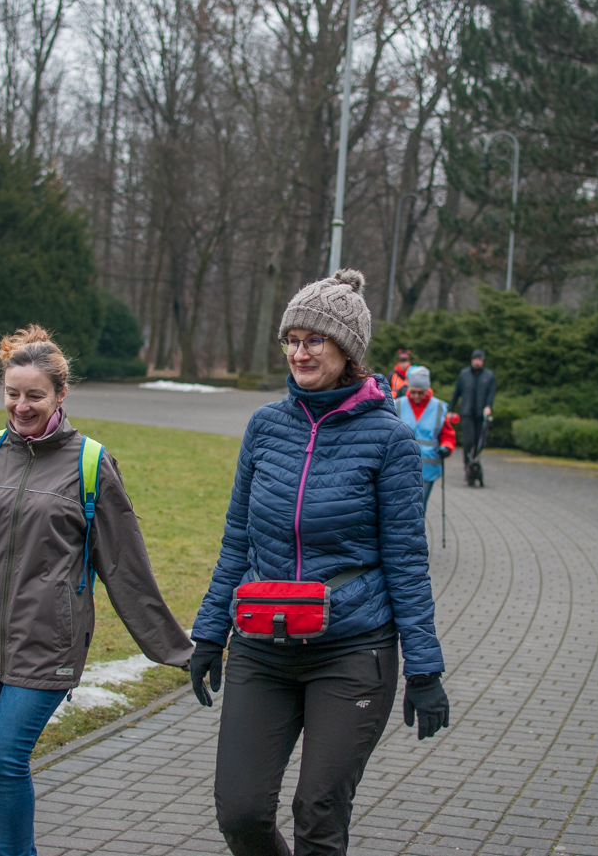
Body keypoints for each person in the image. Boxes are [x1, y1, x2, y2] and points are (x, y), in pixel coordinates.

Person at [0, 325, 193, 856]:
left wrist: (176, 650)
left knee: (4, 758)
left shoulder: (90, 464)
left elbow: (127, 566)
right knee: (1, 764)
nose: (21, 405)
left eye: (34, 395)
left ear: (61, 394)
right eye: (12, 393)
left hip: (48, 642)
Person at [189, 269, 450, 856]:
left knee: (318, 813)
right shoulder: (264, 428)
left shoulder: (390, 440)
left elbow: (407, 561)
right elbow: (236, 542)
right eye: (291, 340)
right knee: (242, 812)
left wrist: (425, 670)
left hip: (353, 650)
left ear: (348, 350)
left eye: (314, 340)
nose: (298, 352)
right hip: (263, 645)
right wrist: (208, 633)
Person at [394, 366, 455, 509]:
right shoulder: (398, 405)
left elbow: (447, 434)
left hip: (427, 468)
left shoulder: (438, 407)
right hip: (401, 466)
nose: (416, 396)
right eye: (413, 392)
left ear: (427, 390)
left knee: (419, 507)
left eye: (420, 393)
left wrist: (447, 447)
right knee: (401, 507)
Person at [448, 349, 496, 487]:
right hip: (467, 413)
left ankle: (475, 465)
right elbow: (456, 393)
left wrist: (488, 406)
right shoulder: (464, 374)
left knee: (479, 442)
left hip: (481, 414)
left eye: (479, 359)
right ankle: (468, 468)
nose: (477, 361)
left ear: (483, 361)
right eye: (475, 359)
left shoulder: (488, 376)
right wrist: (451, 410)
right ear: (472, 360)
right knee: (468, 441)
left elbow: (491, 393)